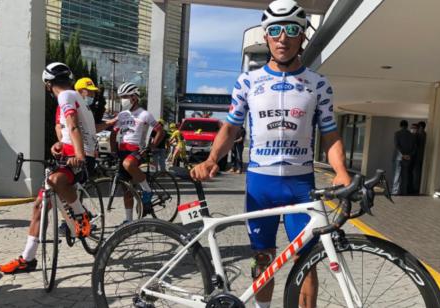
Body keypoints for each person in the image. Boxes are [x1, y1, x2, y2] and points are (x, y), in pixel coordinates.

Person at [190, 1, 351, 307]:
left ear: (302, 36)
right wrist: (212, 159)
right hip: (260, 184)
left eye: (291, 30)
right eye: (274, 30)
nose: (282, 38)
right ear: (265, 36)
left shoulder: (318, 85)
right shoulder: (247, 81)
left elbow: (330, 133)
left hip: (301, 185)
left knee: (308, 261)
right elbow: (231, 128)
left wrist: (341, 171)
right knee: (262, 257)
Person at [0, 63, 97, 274]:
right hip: (71, 151)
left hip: (80, 155)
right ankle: (28, 258)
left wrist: (78, 154)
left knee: (55, 181)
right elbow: (70, 131)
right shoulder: (73, 96)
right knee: (39, 206)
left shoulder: (66, 96)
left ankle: (80, 216)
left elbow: (74, 126)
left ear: (47, 85)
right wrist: (59, 145)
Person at [110, 82, 165, 224]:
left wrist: (151, 147)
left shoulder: (145, 114)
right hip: (123, 150)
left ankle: (147, 191)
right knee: (126, 188)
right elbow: (113, 133)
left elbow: (160, 131)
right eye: (121, 97)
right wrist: (113, 150)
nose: (122, 99)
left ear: (134, 97)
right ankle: (128, 220)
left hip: (137, 150)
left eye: (125, 96)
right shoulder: (122, 115)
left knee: (128, 164)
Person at [392, 120, 417, 195]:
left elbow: (397, 145)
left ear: (400, 125)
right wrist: (409, 155)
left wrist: (403, 154)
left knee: (397, 175)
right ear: (407, 126)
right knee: (405, 175)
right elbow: (415, 148)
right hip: (408, 158)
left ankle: (395, 191)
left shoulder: (397, 133)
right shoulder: (412, 135)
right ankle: (404, 192)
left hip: (399, 157)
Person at [411, 121, 427, 194]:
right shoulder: (425, 134)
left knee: (416, 174)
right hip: (421, 157)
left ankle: (415, 189)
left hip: (417, 157)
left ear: (420, 127)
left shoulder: (419, 135)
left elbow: (416, 146)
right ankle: (416, 188)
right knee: (417, 174)